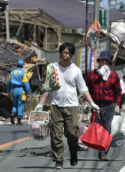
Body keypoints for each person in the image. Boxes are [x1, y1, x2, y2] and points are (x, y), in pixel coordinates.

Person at [34, 42, 100, 170]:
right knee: (56, 135)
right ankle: (58, 160)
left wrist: (92, 103)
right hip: (56, 106)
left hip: (72, 106)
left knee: (72, 133)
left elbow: (83, 89)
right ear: (60, 53)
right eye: (65, 52)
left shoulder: (76, 70)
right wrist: (40, 104)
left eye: (70, 53)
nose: (67, 55)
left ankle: (73, 150)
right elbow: (47, 88)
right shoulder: (52, 68)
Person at [85, 50, 122, 161]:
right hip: (95, 105)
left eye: (106, 61)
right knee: (96, 127)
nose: (104, 63)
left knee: (106, 129)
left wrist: (117, 105)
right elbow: (86, 89)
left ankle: (103, 153)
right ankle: (99, 148)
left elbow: (118, 92)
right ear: (99, 62)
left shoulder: (114, 76)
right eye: (102, 61)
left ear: (109, 64)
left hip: (108, 106)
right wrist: (86, 102)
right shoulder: (92, 74)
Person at [7, 59, 31, 125]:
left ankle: (12, 113)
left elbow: (8, 83)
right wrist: (28, 92)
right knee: (20, 104)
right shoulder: (23, 73)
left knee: (14, 104)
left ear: (17, 65)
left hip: (13, 90)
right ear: (22, 66)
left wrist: (8, 92)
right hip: (21, 90)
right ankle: (19, 120)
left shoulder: (12, 73)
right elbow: (26, 84)